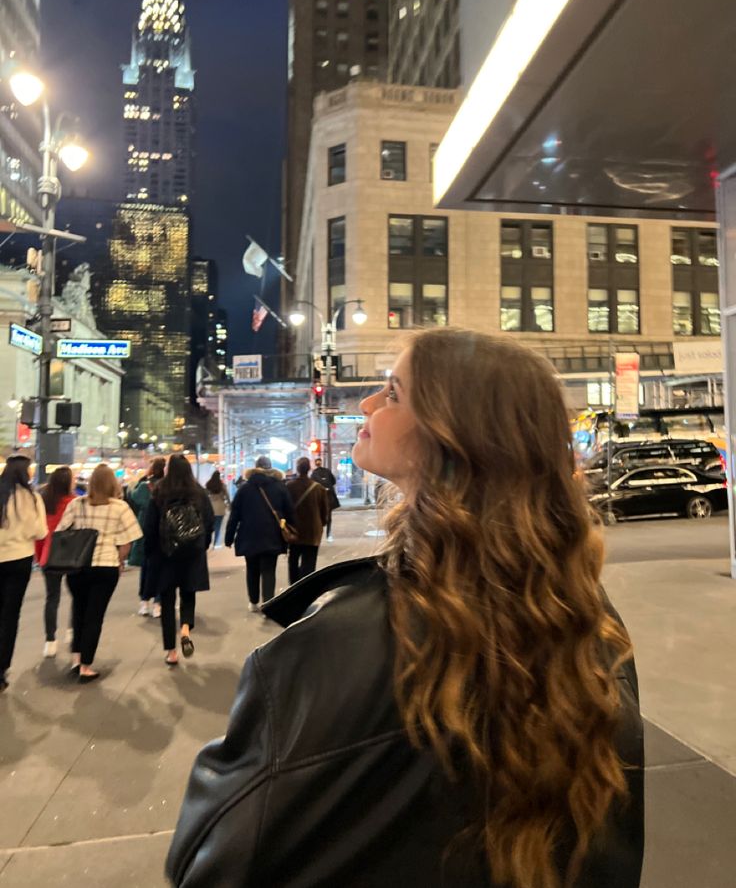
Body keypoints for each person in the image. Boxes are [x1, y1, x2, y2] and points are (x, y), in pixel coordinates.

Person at [167, 329, 644, 888]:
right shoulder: (589, 622)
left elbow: (207, 858)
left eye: (392, 394)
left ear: (451, 438)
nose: (368, 404)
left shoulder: (333, 644)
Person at [56, 463, 142, 682]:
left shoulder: (77, 504)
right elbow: (128, 541)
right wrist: (120, 561)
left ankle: (76, 659)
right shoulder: (119, 507)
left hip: (77, 566)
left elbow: (61, 531)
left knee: (79, 611)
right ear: (113, 484)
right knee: (95, 615)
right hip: (105, 566)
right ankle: (86, 665)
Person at [143, 455, 214, 666]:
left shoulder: (159, 492)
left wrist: (150, 553)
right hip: (191, 553)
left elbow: (150, 526)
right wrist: (203, 544)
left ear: (168, 470)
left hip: (165, 555)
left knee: (166, 602)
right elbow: (208, 522)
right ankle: (185, 629)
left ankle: (171, 652)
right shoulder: (198, 492)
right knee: (188, 594)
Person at [0, 456, 47, 693]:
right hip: (19, 560)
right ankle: (1, 670)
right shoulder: (31, 498)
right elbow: (40, 532)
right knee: (10, 615)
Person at [224, 455, 295, 612]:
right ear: (271, 469)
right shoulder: (280, 487)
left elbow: (234, 515)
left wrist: (228, 538)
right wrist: (292, 531)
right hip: (273, 536)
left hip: (249, 536)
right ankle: (268, 604)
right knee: (269, 570)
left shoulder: (244, 489)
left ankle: (253, 602)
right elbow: (290, 512)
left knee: (252, 569)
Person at [35, 466, 75, 658]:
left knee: (52, 598)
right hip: (72, 555)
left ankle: (50, 640)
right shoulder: (74, 502)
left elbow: (39, 535)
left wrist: (39, 556)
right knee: (77, 594)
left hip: (48, 556)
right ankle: (71, 630)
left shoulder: (43, 502)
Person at [128, 457, 166, 617]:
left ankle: (144, 602)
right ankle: (158, 603)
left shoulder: (144, 486)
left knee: (146, 567)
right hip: (164, 530)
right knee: (163, 569)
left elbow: (132, 499)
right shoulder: (168, 486)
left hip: (145, 528)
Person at [286, 457, 328, 584]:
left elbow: (285, 508)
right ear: (309, 469)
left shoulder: (289, 486)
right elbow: (324, 512)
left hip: (294, 530)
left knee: (293, 560)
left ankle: (293, 587)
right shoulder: (318, 488)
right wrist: (321, 523)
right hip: (312, 531)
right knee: (309, 562)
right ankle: (306, 587)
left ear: (297, 469)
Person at [310, 456, 338, 540]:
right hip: (329, 496)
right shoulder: (327, 471)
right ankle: (328, 534)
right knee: (329, 516)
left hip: (319, 497)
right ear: (321, 462)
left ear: (315, 463)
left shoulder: (314, 473)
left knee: (318, 516)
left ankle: (319, 532)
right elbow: (333, 481)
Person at [204, 470, 230, 548]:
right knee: (218, 526)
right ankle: (216, 543)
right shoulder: (222, 485)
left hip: (211, 507)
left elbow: (205, 496)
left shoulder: (208, 484)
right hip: (220, 507)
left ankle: (209, 540)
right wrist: (229, 505)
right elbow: (227, 496)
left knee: (210, 525)